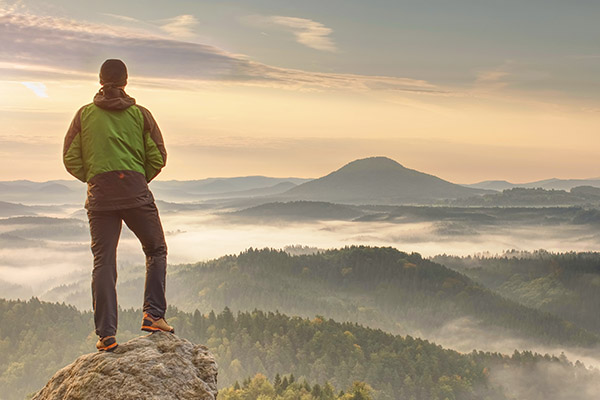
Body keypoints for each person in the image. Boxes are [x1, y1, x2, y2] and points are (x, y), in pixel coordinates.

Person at [63, 59, 174, 352]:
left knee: (104, 262)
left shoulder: (84, 115)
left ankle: (106, 335)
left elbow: (70, 158)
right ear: (126, 81)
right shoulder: (140, 115)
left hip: (100, 197)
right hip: (136, 193)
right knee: (156, 249)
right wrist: (137, 178)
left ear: (100, 80)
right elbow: (158, 156)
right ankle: (153, 315)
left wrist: (96, 178)